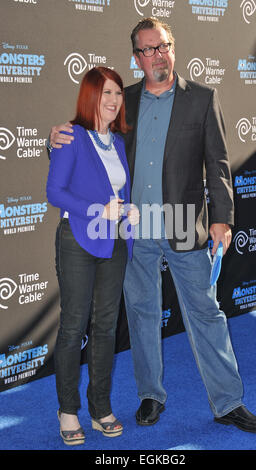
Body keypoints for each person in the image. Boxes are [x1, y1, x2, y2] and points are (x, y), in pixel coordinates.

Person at [48, 18, 256, 434]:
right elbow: (84, 140)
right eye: (146, 50)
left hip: (185, 223)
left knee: (205, 312)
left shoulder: (202, 98)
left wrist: (222, 219)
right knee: (142, 312)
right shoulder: (122, 100)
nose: (156, 56)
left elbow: (218, 164)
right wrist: (53, 137)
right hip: (132, 228)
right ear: (136, 58)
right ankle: (150, 395)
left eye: (162, 46)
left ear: (173, 48)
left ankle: (228, 402)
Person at [46, 66, 139, 445]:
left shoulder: (117, 142)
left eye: (118, 93)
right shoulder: (71, 136)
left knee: (105, 327)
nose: (115, 101)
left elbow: (118, 191)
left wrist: (128, 211)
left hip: (113, 242)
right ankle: (67, 410)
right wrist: (98, 210)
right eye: (106, 94)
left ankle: (100, 406)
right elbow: (55, 193)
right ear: (90, 97)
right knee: (73, 328)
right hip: (78, 241)